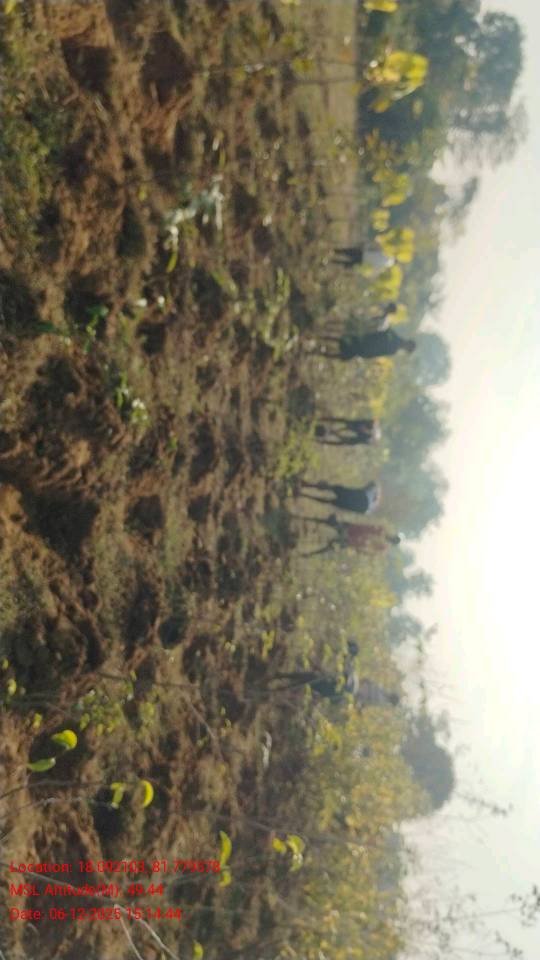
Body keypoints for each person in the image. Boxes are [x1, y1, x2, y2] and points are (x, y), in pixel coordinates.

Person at [299, 515, 400, 557]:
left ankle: (309, 553)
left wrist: (358, 549)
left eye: (392, 540)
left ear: (392, 543)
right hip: (353, 530)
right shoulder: (382, 529)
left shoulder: (382, 547)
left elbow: (368, 552)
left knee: (330, 546)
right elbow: (368, 524)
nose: (391, 539)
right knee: (331, 524)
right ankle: (306, 520)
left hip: (352, 540)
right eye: (393, 538)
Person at [316, 328, 416, 361]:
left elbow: (379, 353)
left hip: (365, 350)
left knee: (344, 355)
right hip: (365, 341)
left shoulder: (393, 350)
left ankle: (318, 353)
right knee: (342, 340)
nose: (405, 348)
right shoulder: (393, 335)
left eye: (407, 349)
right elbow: (378, 333)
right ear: (408, 342)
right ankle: (319, 337)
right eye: (408, 347)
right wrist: (366, 336)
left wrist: (367, 355)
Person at [300, 480, 381, 515]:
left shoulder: (375, 488)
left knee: (334, 489)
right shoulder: (373, 506)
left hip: (360, 497)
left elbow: (366, 488)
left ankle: (307, 485)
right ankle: (303, 494)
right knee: (331, 501)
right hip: (361, 508)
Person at [315, 417, 381, 447]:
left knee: (341, 442)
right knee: (343, 421)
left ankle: (321, 440)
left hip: (353, 440)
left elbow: (353, 440)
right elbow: (352, 426)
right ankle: (321, 419)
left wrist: (337, 433)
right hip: (355, 425)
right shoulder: (367, 424)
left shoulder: (366, 438)